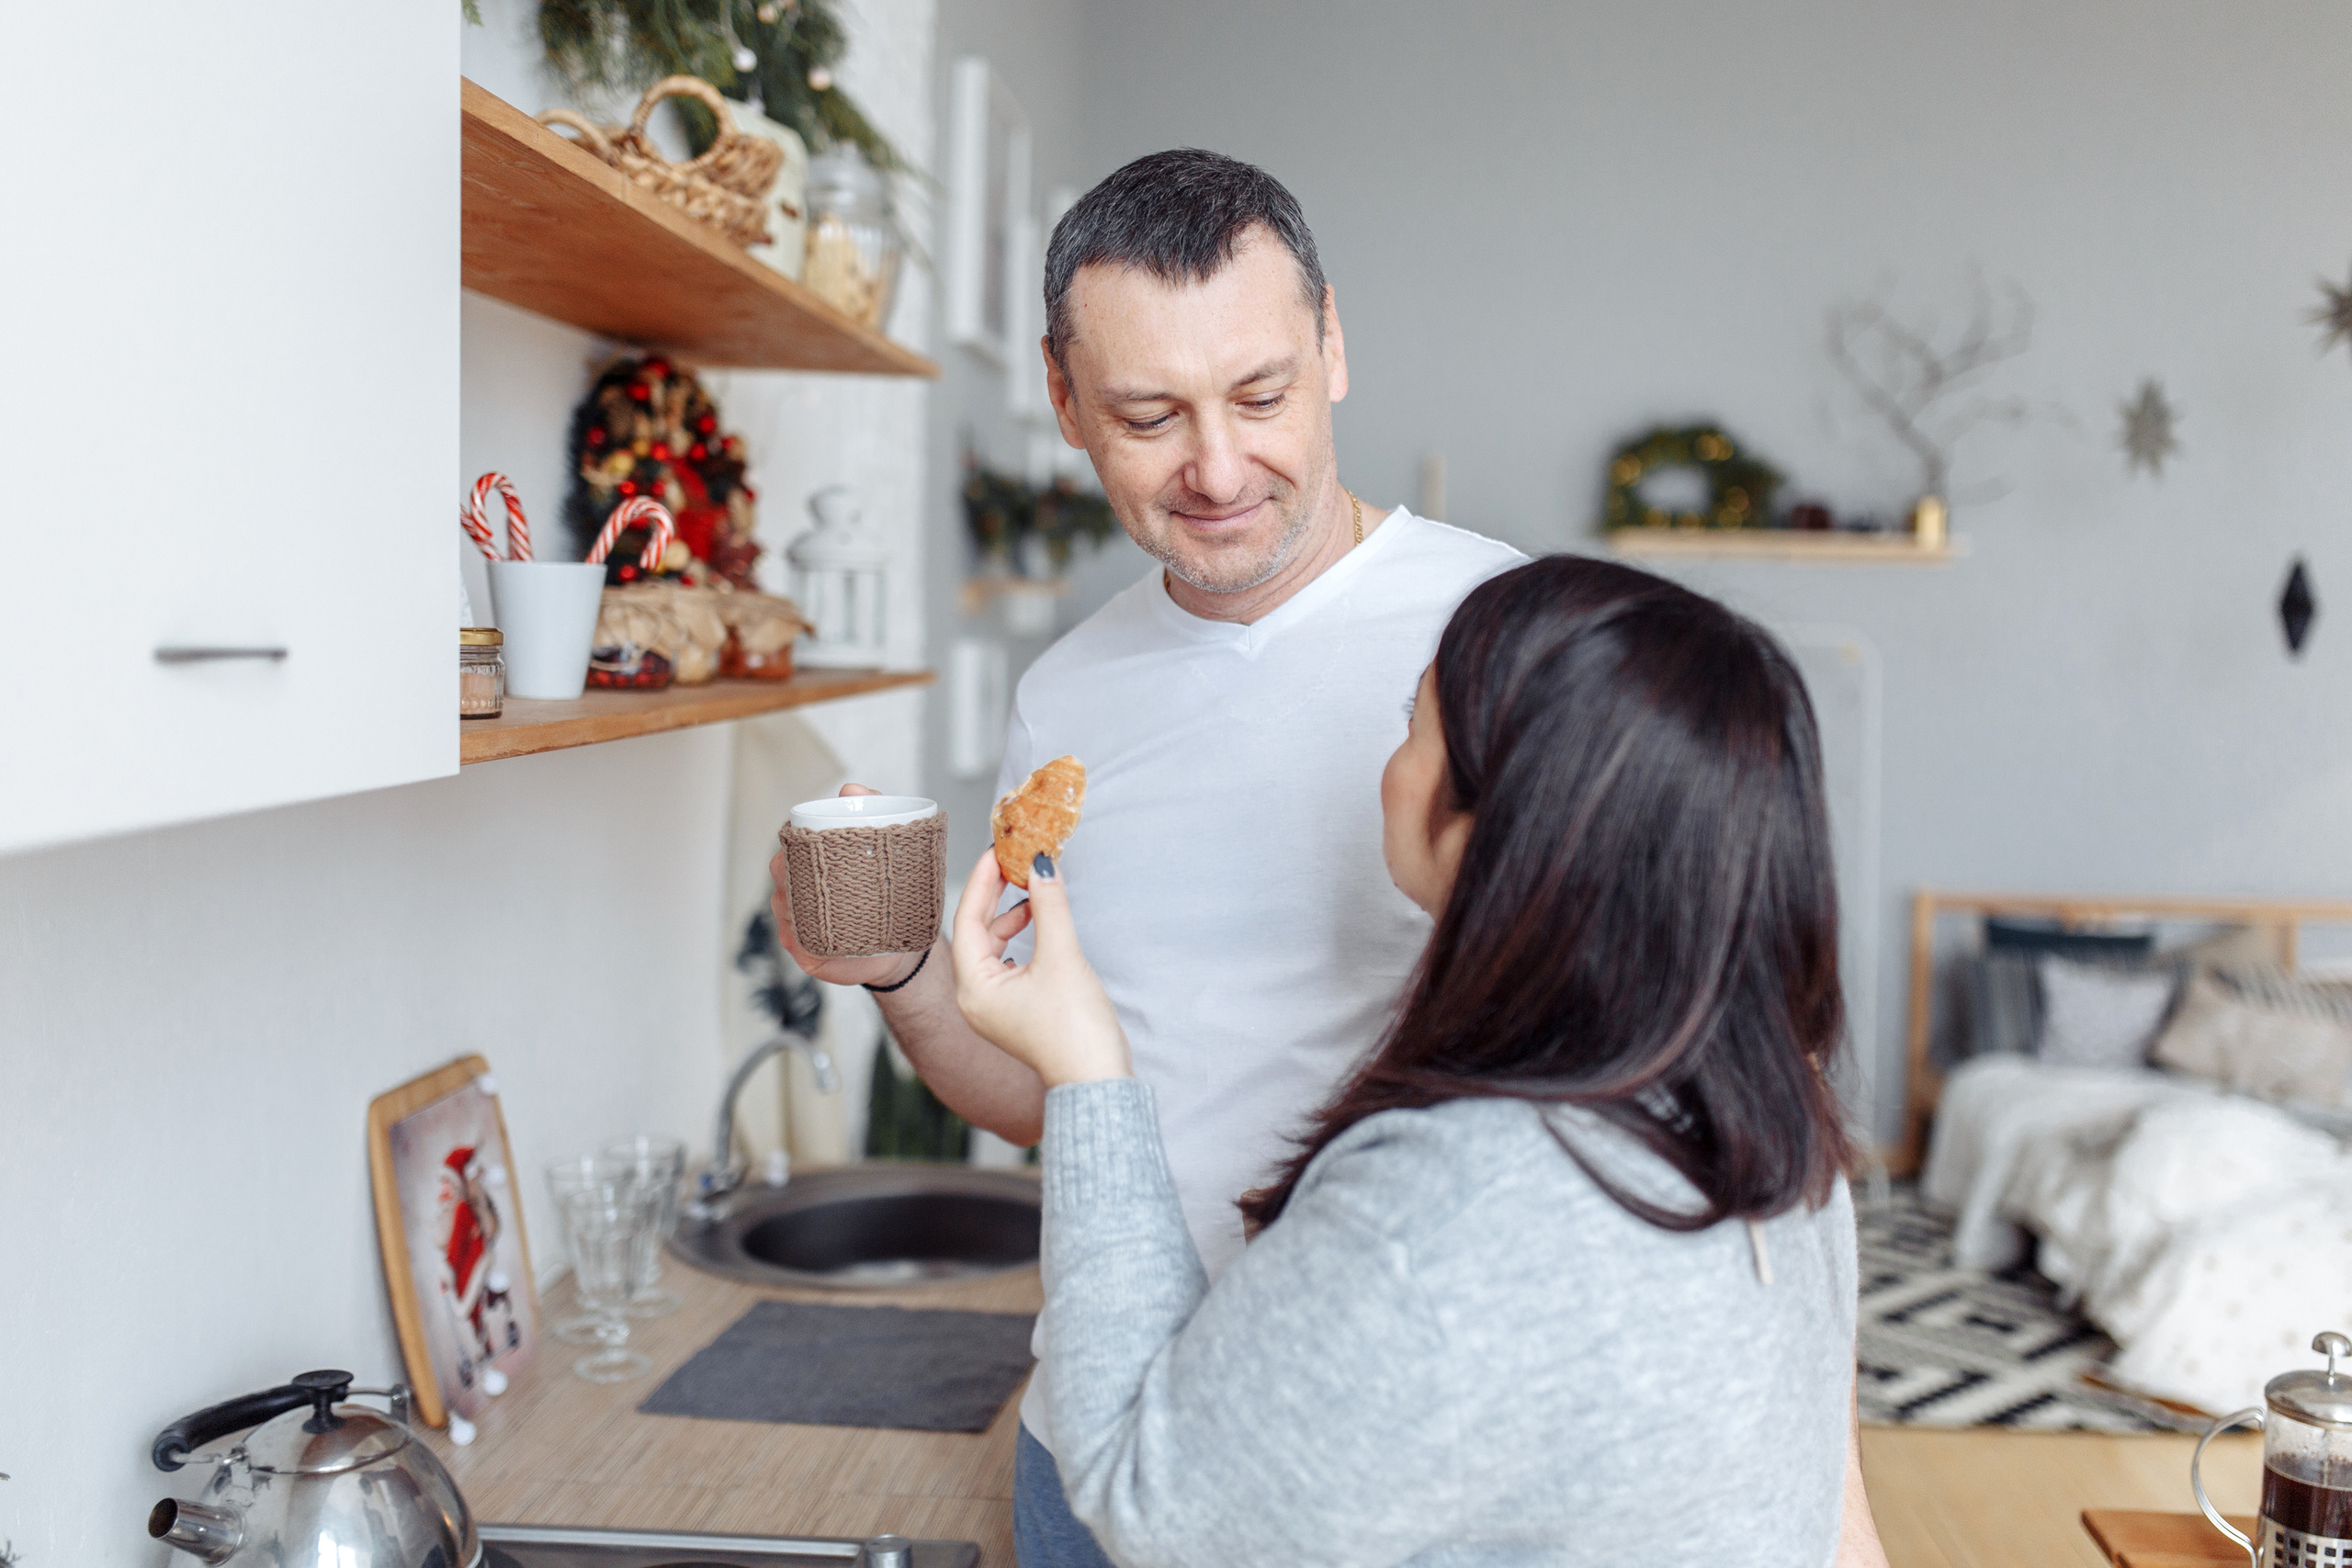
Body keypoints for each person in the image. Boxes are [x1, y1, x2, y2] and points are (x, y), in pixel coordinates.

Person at [770, 151, 1887, 1566]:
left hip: (1397, 1489)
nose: (1221, 466)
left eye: (1260, 395)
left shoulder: (1509, 650)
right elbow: (1068, 1093)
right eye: (1150, 414)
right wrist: (912, 969)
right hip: (1097, 1439)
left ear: (1333, 345)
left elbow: (1729, 1101)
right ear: (1065, 400)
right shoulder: (1067, 696)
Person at [948, 557, 1861, 1566]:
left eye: (1410, 725)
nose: (1386, 764)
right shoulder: (1770, 1129)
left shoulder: (1451, 1208)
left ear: (1499, 834)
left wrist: (1087, 1072)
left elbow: (1154, 1510)